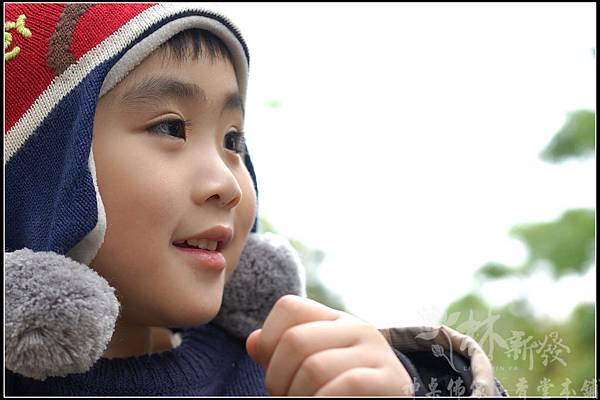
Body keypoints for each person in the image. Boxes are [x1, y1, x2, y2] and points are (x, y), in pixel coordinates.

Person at [5, 3, 507, 396]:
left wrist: (421, 385)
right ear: (39, 172)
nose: (230, 184)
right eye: (172, 128)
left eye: (233, 141)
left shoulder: (291, 376)